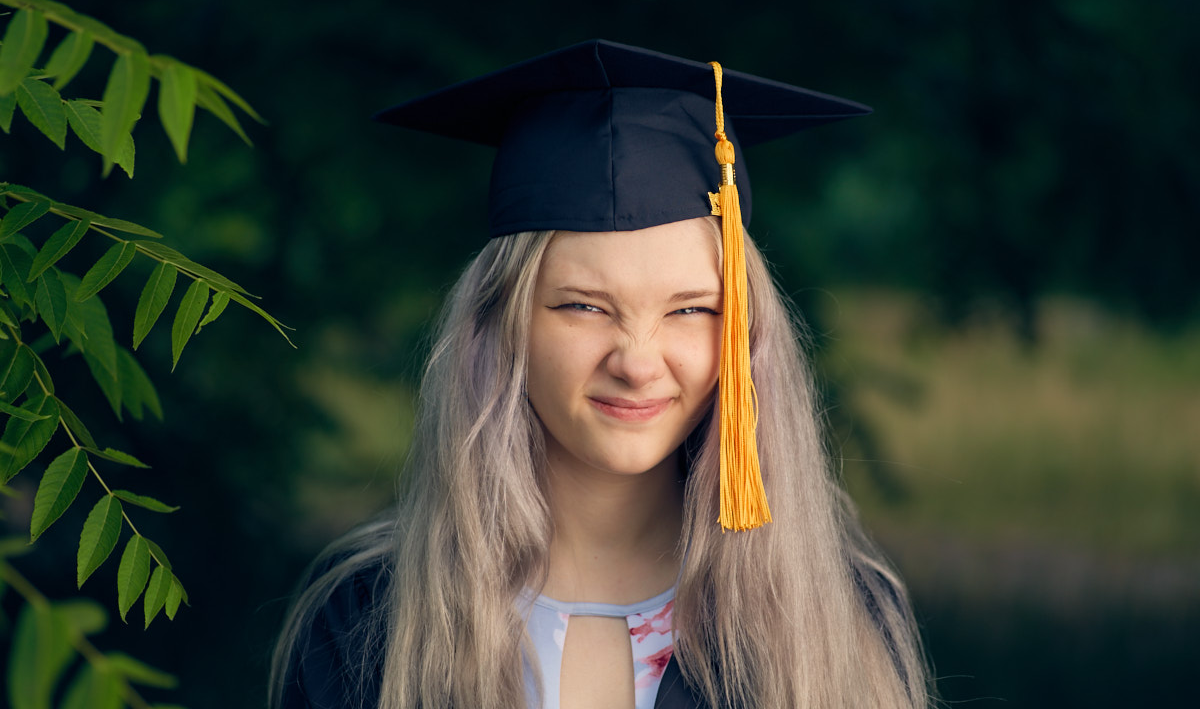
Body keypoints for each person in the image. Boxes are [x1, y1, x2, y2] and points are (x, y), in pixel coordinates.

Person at [271, 40, 930, 709]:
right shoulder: (368, 619)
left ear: (745, 334)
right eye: (584, 306)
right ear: (504, 323)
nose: (638, 362)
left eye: (692, 309)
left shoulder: (837, 618)